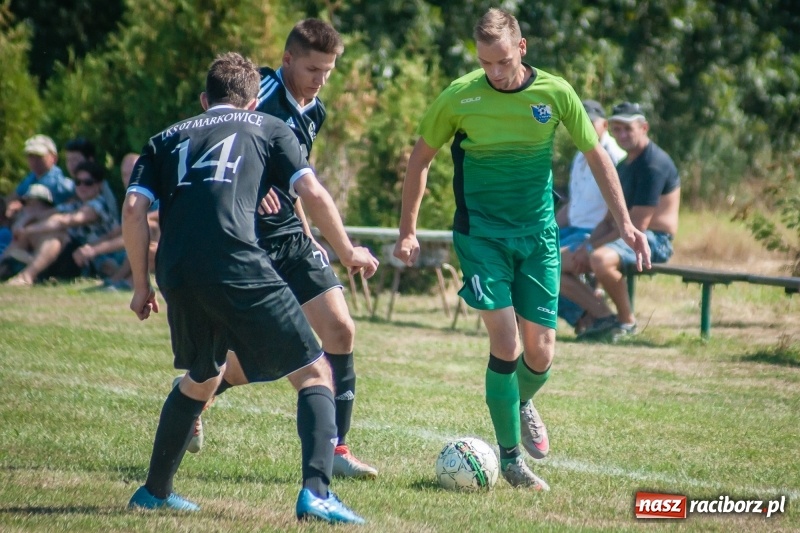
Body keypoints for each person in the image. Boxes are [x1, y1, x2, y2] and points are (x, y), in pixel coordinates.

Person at [393, 8, 651, 490]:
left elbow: (597, 157)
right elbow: (420, 159)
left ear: (522, 48)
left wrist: (625, 225)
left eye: (503, 61)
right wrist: (408, 230)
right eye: (485, 62)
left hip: (539, 237)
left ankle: (521, 400)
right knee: (506, 343)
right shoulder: (459, 96)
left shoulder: (555, 93)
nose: (494, 72)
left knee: (542, 351)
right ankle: (510, 459)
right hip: (482, 235)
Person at [124, 51, 375, 524]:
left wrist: (141, 285)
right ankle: (318, 494)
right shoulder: (268, 127)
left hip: (176, 269)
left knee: (203, 376)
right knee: (315, 373)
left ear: (205, 100)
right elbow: (312, 192)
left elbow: (135, 208)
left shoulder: (164, 139)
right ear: (254, 100)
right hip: (236, 260)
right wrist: (347, 251)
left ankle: (154, 492)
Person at [189, 19, 379, 479]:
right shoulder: (260, 94)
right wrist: (250, 188)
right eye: (313, 69)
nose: (320, 80)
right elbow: (209, 137)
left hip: (290, 234)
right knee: (260, 356)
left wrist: (309, 232)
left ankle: (337, 449)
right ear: (287, 59)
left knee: (340, 330)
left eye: (328, 71)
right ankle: (194, 395)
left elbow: (298, 178)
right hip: (247, 238)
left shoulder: (315, 111)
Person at [561, 101, 680, 340]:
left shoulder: (653, 164)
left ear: (644, 128)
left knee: (600, 259)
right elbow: (609, 220)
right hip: (627, 235)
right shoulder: (624, 165)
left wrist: (591, 249)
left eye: (628, 128)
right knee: (554, 264)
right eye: (617, 129)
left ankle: (627, 322)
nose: (622, 135)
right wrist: (584, 247)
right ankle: (603, 317)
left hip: (655, 240)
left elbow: (637, 226)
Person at [556, 100, 626, 332]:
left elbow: (617, 210)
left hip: (595, 233)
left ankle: (600, 316)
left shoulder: (615, 157)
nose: (583, 128)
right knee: (525, 256)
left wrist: (590, 245)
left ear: (604, 125)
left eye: (590, 123)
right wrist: (545, 229)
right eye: (579, 123)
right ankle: (586, 317)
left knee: (547, 265)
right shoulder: (580, 155)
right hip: (573, 230)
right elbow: (574, 205)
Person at [4, 161, 118, 286]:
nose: (82, 186)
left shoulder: (98, 205)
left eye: (88, 183)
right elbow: (43, 215)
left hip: (94, 258)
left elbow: (66, 220)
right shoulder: (76, 204)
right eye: (78, 182)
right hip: (76, 256)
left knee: (58, 236)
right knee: (34, 234)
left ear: (99, 185)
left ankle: (27, 276)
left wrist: (27, 230)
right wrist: (24, 222)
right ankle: (5, 266)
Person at [4, 134, 74, 221]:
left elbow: (75, 202)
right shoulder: (32, 177)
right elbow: (14, 196)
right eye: (30, 156)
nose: (34, 161)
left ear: (54, 158)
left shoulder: (59, 182)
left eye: (39, 156)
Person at [64, 137, 119, 219]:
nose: (71, 165)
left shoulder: (101, 186)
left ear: (90, 160)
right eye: (68, 160)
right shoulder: (73, 184)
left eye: (75, 160)